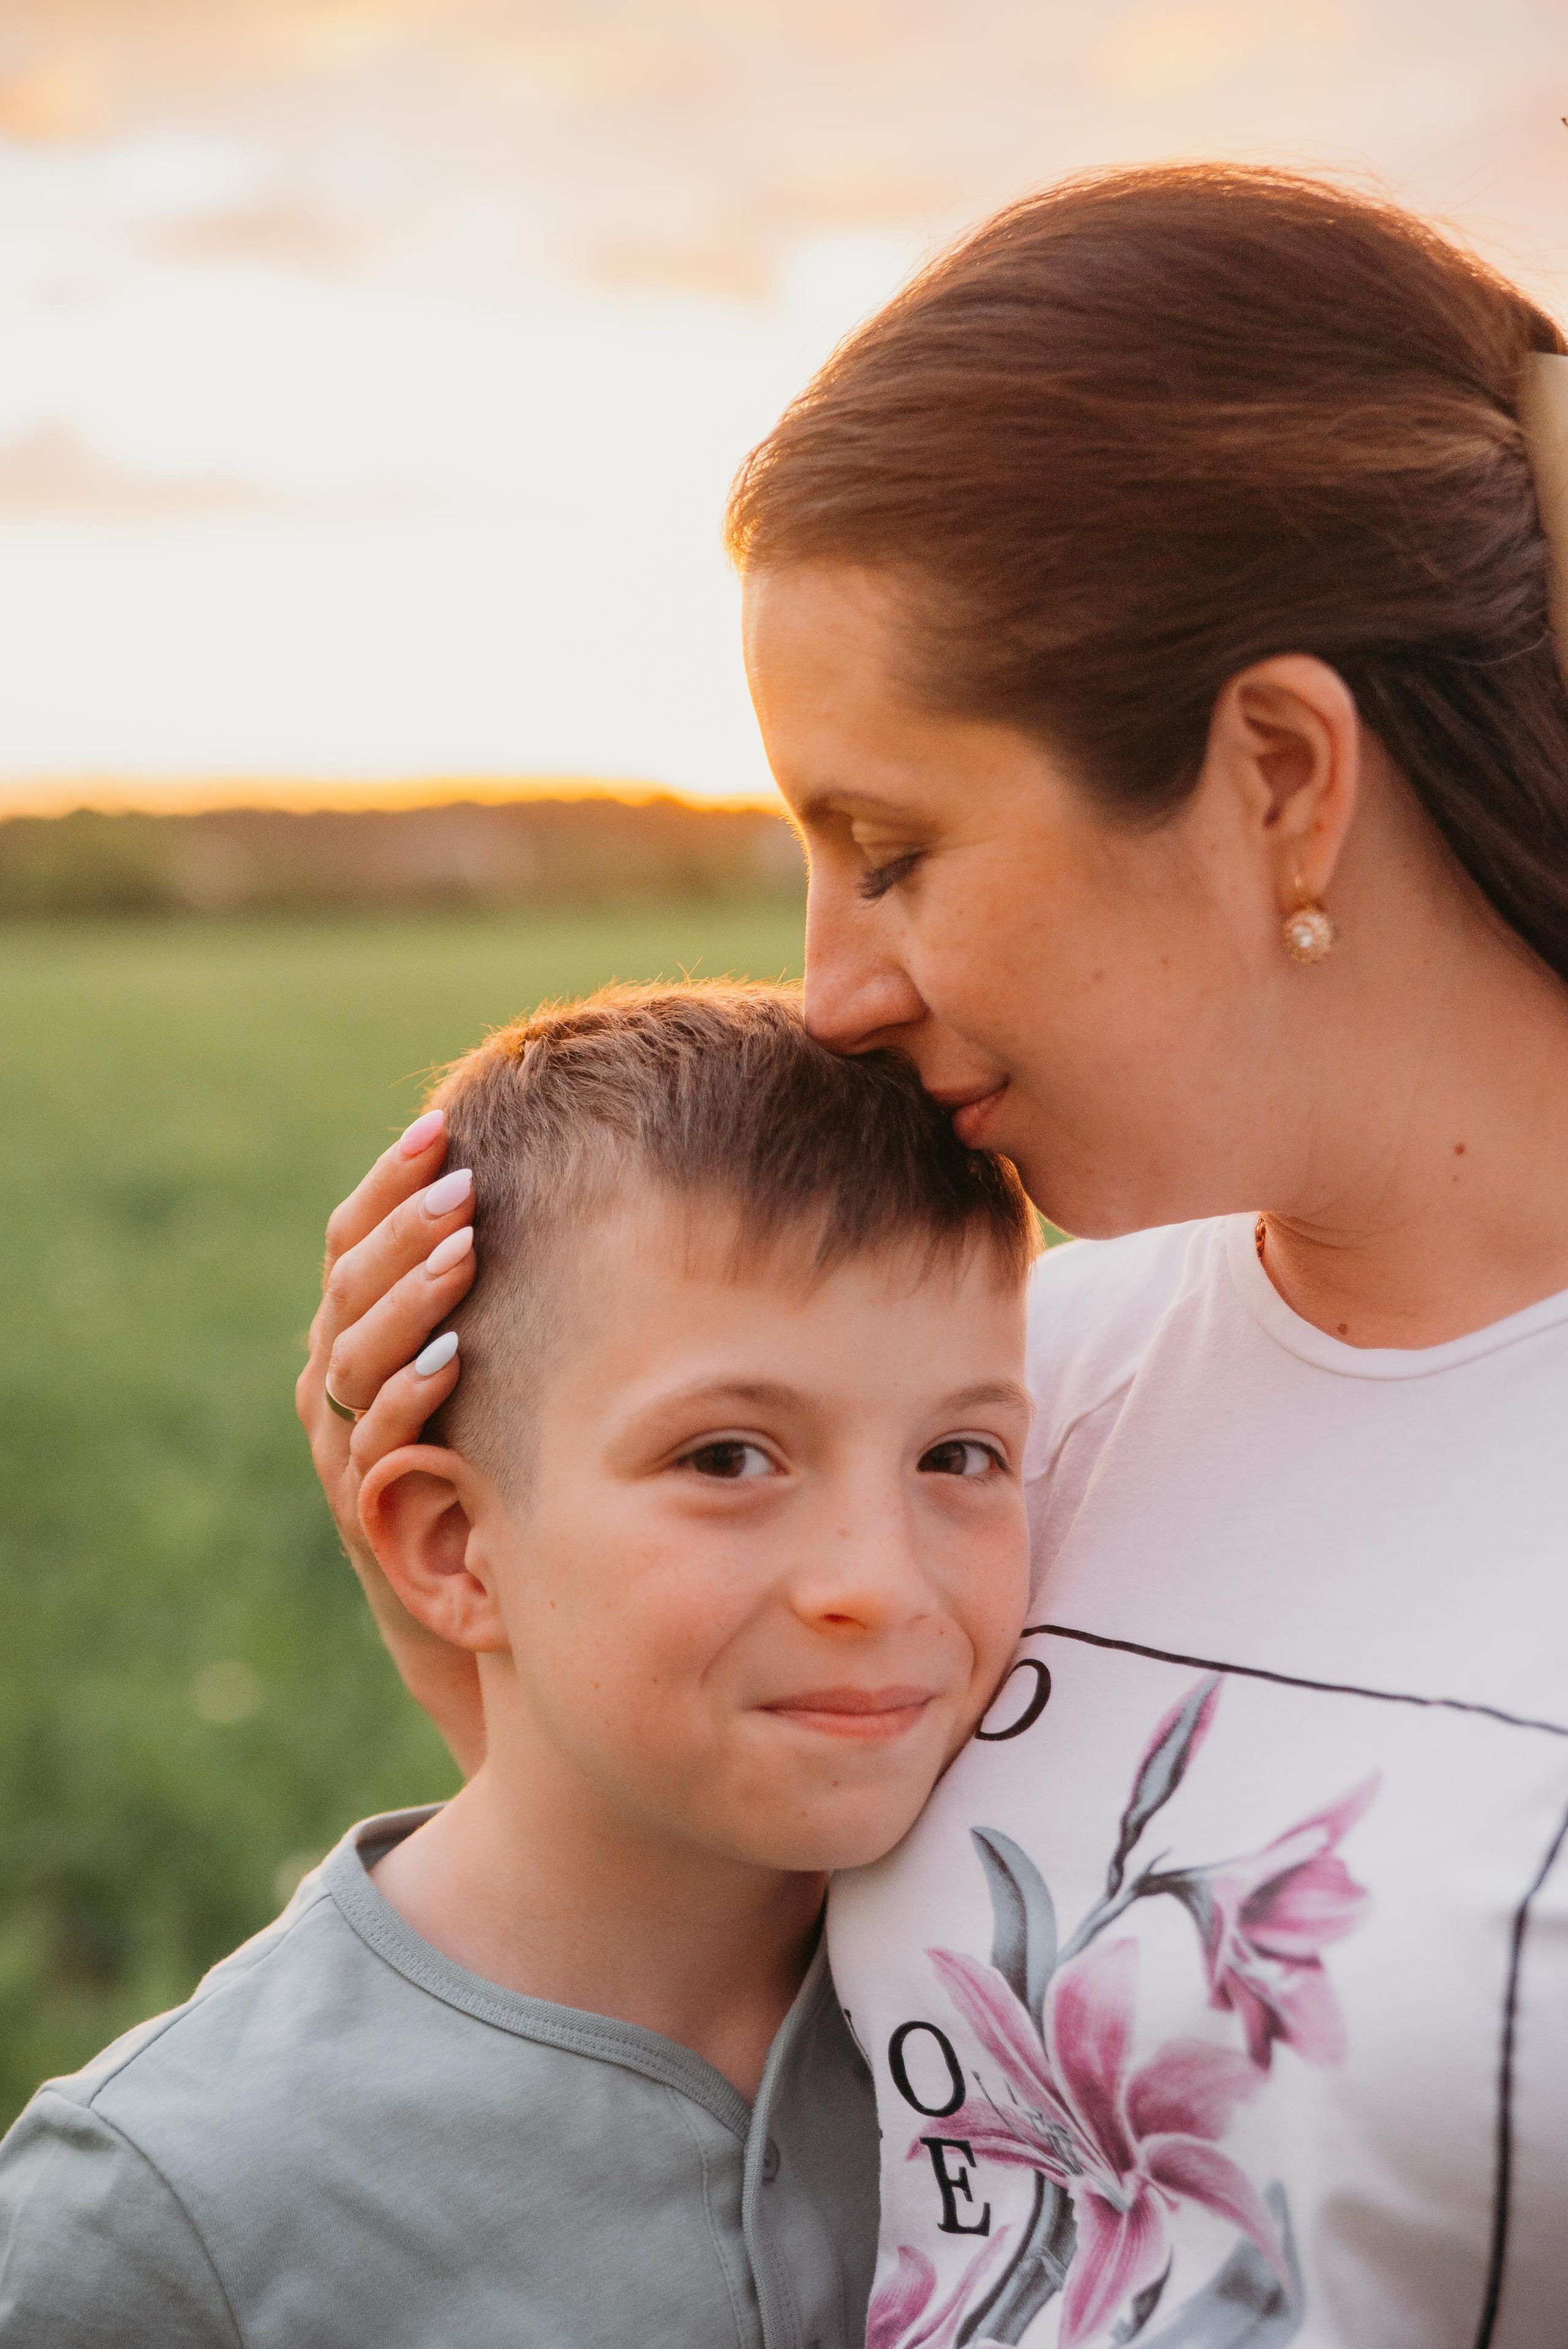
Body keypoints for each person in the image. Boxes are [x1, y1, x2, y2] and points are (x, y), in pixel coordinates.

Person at [303, 165, 1568, 2347]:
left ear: (1278, 773)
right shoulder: (992, 1407)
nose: (831, 989)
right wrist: (523, 1646)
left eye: (893, 850)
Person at [0, 983, 1040, 2348]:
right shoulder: (162, 2213)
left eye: (956, 1455)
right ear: (447, 1544)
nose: (878, 1581)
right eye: (726, 1457)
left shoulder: (1059, 1994)